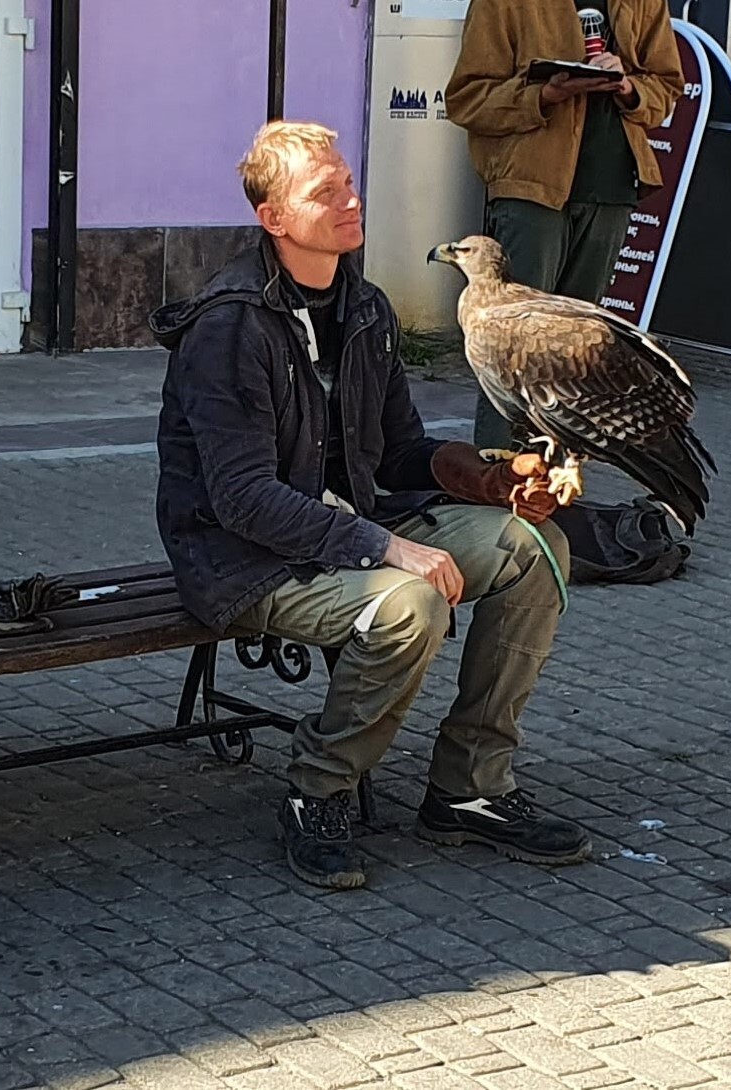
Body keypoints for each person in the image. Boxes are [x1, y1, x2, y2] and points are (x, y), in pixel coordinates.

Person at [152, 121, 587, 891]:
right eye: (325, 192)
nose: (350, 200)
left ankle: (468, 786)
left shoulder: (365, 308)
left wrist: (492, 476)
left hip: (343, 527)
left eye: (349, 183)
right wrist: (389, 548)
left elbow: (397, 452)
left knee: (535, 549)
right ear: (274, 218)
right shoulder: (228, 328)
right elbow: (242, 496)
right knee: (406, 604)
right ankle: (317, 791)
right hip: (241, 558)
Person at [445, 0, 683, 449]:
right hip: (530, 190)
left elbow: (666, 86)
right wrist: (544, 94)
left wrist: (628, 86)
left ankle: (556, 485)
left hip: (611, 188)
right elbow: (467, 98)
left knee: (577, 359)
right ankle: (494, 483)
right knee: (507, 349)